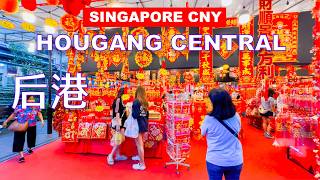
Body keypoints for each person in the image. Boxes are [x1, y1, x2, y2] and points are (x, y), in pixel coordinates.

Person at [201, 89, 243, 180]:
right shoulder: (236, 116)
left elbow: (202, 132)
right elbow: (238, 130)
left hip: (215, 160)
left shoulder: (209, 119)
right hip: (235, 159)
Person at [3, 96, 45, 163]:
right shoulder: (19, 107)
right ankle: (21, 156)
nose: (33, 100)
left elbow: (39, 113)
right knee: (19, 140)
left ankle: (30, 148)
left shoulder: (36, 106)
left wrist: (42, 120)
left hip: (32, 125)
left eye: (33, 99)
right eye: (31, 99)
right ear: (26, 100)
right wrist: (6, 121)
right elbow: (13, 115)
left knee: (31, 138)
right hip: (20, 125)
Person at [107, 88, 128, 165]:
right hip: (118, 123)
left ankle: (118, 155)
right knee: (118, 139)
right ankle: (111, 155)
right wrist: (118, 124)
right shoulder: (118, 100)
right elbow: (116, 112)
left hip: (121, 123)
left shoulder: (121, 100)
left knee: (120, 139)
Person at [131, 86, 149, 170]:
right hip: (143, 123)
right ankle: (139, 157)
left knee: (139, 144)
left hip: (137, 124)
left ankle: (142, 164)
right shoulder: (145, 102)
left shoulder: (136, 102)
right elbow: (147, 115)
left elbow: (135, 115)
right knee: (140, 143)